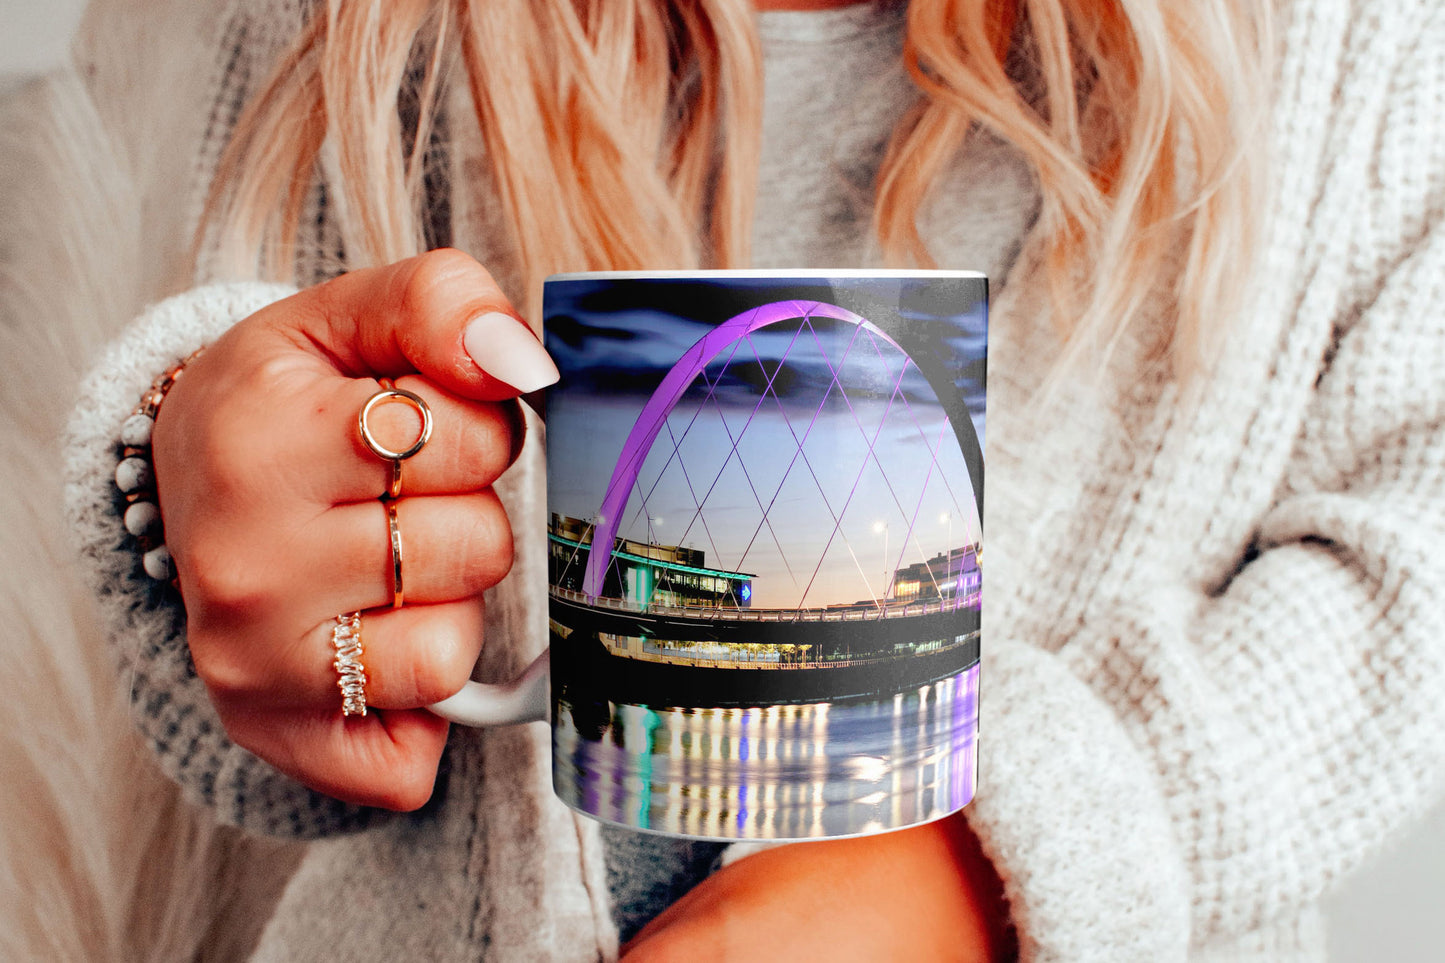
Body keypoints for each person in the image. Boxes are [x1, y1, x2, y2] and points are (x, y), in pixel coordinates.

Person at [3, 0, 1442, 958]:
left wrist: (993, 859)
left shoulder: (1349, 57)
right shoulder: (338, 31)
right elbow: (276, 745)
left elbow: (1413, 564)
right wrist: (196, 485)